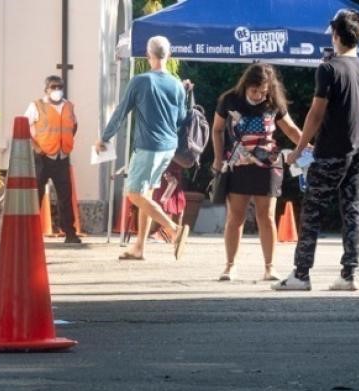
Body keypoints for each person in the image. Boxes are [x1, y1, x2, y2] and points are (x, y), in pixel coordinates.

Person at [274, 8, 359, 292]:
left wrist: (298, 149)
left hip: (333, 150)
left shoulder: (328, 68)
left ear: (335, 34)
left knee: (313, 212)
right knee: (352, 209)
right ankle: (348, 275)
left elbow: (316, 115)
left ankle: (301, 274)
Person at [95, 35, 189, 260]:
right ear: (169, 55)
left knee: (134, 193)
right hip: (169, 147)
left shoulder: (141, 81)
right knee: (146, 194)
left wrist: (105, 137)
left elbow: (122, 110)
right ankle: (139, 247)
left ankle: (174, 229)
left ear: (148, 55)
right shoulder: (177, 84)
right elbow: (181, 118)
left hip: (149, 146)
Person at [211, 63, 305, 282]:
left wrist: (305, 146)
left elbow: (290, 129)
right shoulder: (229, 100)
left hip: (268, 164)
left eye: (264, 91)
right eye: (255, 91)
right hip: (238, 164)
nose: (259, 95)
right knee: (235, 216)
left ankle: (269, 267)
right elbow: (216, 129)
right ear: (246, 85)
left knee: (267, 217)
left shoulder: (273, 101)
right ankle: (230, 266)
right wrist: (217, 158)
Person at [25, 75, 81, 244]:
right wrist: (36, 147)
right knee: (37, 195)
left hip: (62, 156)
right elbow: (25, 127)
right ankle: (29, 233)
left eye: (59, 87)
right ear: (46, 89)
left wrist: (66, 143)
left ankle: (70, 233)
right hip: (43, 157)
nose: (57, 90)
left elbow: (74, 126)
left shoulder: (68, 106)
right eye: (53, 87)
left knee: (65, 196)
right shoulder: (36, 105)